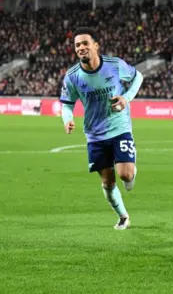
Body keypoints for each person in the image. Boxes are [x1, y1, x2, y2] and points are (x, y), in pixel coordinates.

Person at [59, 27, 144, 230]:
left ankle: (131, 170)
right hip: (94, 134)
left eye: (85, 43)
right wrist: (67, 118)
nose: (81, 48)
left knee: (126, 175)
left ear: (96, 45)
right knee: (107, 182)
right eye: (77, 45)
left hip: (119, 127)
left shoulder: (114, 65)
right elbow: (67, 103)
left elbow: (138, 76)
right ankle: (123, 216)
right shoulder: (72, 76)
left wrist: (126, 98)